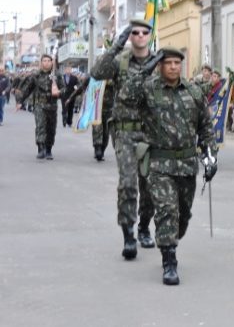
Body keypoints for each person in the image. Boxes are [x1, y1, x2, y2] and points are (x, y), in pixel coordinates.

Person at [121, 47, 216, 285]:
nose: (173, 66)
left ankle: (173, 236)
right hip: (158, 164)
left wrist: (210, 156)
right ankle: (169, 261)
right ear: (160, 66)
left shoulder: (193, 91)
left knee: (182, 216)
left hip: (186, 165)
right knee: (166, 210)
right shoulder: (148, 89)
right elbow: (125, 94)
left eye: (177, 62)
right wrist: (146, 68)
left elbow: (205, 126)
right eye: (168, 62)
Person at [91, 19, 158, 259]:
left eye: (144, 32)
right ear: (129, 37)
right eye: (134, 32)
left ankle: (143, 227)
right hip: (124, 132)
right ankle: (128, 233)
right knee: (128, 183)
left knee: (149, 185)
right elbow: (96, 73)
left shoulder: (159, 63)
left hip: (151, 133)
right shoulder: (120, 62)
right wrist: (115, 46)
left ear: (149, 35)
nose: (139, 36)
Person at [15, 54, 65, 159]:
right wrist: (20, 102)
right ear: (41, 63)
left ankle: (48, 150)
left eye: (48, 61)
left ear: (52, 62)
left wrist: (59, 92)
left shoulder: (57, 75)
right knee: (40, 125)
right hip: (39, 105)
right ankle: (41, 148)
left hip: (52, 105)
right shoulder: (36, 75)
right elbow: (27, 89)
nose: (46, 63)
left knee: (51, 128)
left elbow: (64, 89)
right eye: (44, 61)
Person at [65, 76, 116, 161]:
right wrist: (70, 98)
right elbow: (80, 88)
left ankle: (102, 149)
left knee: (106, 132)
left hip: (109, 110)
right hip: (95, 108)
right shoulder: (92, 77)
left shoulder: (112, 77)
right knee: (97, 127)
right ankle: (97, 148)